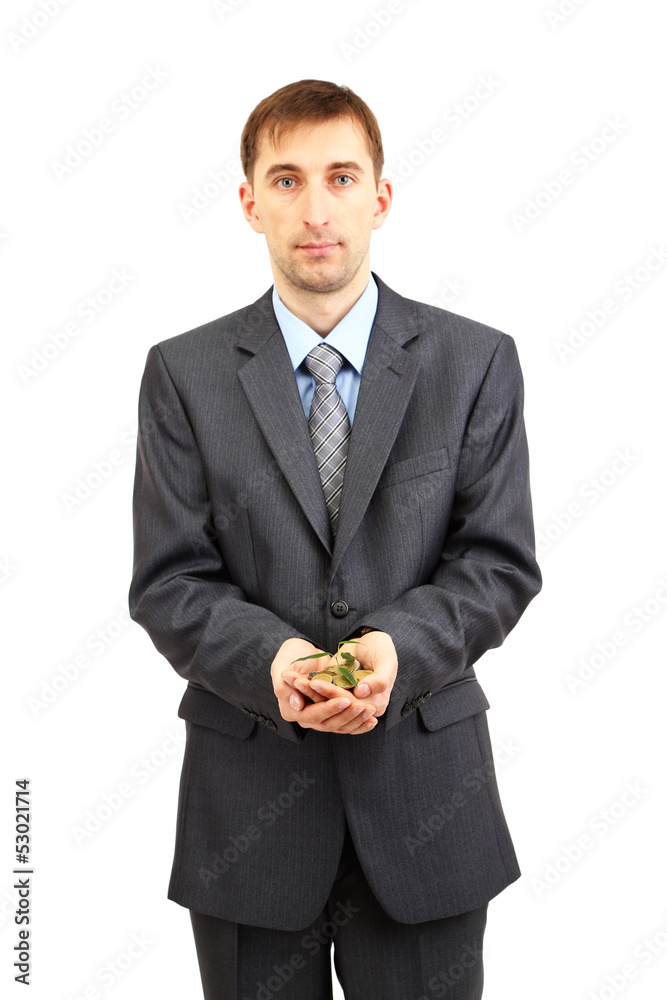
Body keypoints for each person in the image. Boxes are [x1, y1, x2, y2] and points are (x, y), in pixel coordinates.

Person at [128, 78, 542, 1000]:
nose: (315, 210)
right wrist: (274, 661)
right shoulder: (183, 375)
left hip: (426, 801)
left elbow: (498, 561)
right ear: (248, 203)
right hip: (247, 812)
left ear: (380, 197)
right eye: (285, 180)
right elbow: (169, 581)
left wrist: (396, 649)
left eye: (341, 177)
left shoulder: (474, 362)